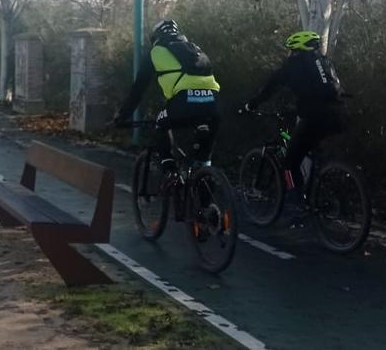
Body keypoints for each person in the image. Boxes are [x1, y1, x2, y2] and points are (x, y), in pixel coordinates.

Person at [242, 30, 346, 225]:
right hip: (338, 114)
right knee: (314, 151)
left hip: (314, 117)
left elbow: (271, 86)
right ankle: (325, 184)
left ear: (297, 49)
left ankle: (297, 206)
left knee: (289, 163)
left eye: (291, 50)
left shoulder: (294, 64)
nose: (289, 54)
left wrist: (252, 104)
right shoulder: (324, 61)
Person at [112, 19, 222, 172]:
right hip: (213, 105)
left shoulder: (156, 52)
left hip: (184, 105)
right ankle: (205, 181)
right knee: (202, 161)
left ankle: (169, 167)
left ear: (156, 37)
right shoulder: (195, 49)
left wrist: (122, 117)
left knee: (160, 124)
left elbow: (138, 90)